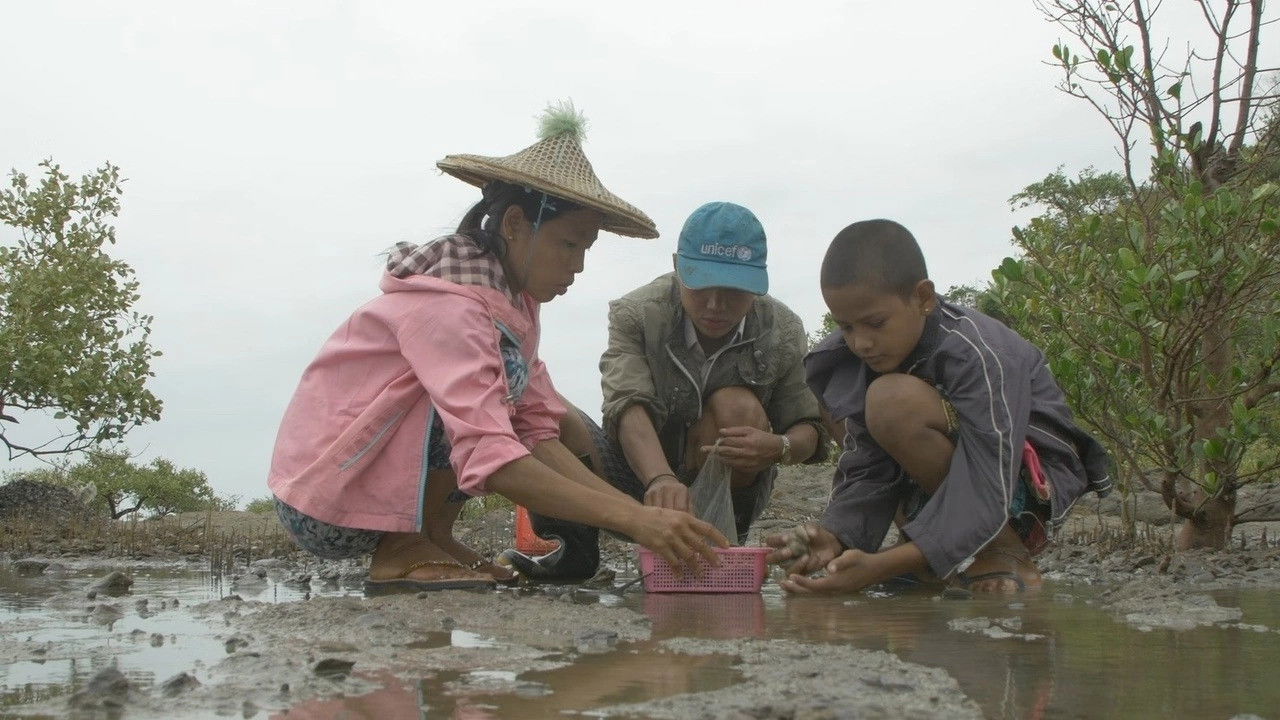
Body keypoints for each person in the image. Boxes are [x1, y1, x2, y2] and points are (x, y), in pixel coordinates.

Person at [267, 104, 728, 592]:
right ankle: (399, 550)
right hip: (324, 501)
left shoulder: (515, 308)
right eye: (569, 245)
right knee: (474, 410)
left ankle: (432, 538)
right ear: (513, 225)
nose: (579, 266)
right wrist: (638, 523)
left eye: (587, 249)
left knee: (513, 404)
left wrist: (636, 517)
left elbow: (536, 432)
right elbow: (491, 454)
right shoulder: (449, 309)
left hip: (368, 491)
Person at [767, 219, 1111, 594]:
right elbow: (868, 463)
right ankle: (938, 559)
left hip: (1019, 495)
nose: (861, 343)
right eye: (846, 327)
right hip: (953, 496)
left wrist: (881, 567)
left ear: (924, 298)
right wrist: (836, 535)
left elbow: (989, 479)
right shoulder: (860, 357)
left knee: (891, 401)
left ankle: (1005, 554)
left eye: (875, 323)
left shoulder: (980, 353)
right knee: (870, 403)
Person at [504, 201, 828, 581]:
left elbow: (810, 428)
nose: (715, 305)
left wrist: (779, 447)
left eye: (733, 292)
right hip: (635, 480)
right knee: (545, 409)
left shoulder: (783, 331)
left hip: (726, 493)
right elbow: (627, 404)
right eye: (702, 286)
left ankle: (718, 543)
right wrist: (660, 479)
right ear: (677, 266)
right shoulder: (636, 313)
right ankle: (574, 552)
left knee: (735, 405)